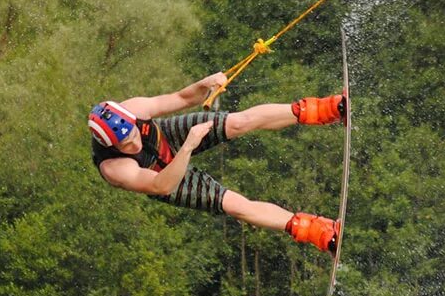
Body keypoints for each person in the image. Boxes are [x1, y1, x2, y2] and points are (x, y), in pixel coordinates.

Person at [88, 72, 344, 253]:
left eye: (133, 134)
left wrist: (205, 83)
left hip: (164, 136)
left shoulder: (133, 110)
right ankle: (319, 231)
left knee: (237, 122)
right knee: (236, 205)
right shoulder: (114, 168)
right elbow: (161, 186)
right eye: (125, 145)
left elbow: (182, 98)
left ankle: (327, 109)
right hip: (165, 177)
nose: (134, 143)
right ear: (111, 145)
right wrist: (188, 146)